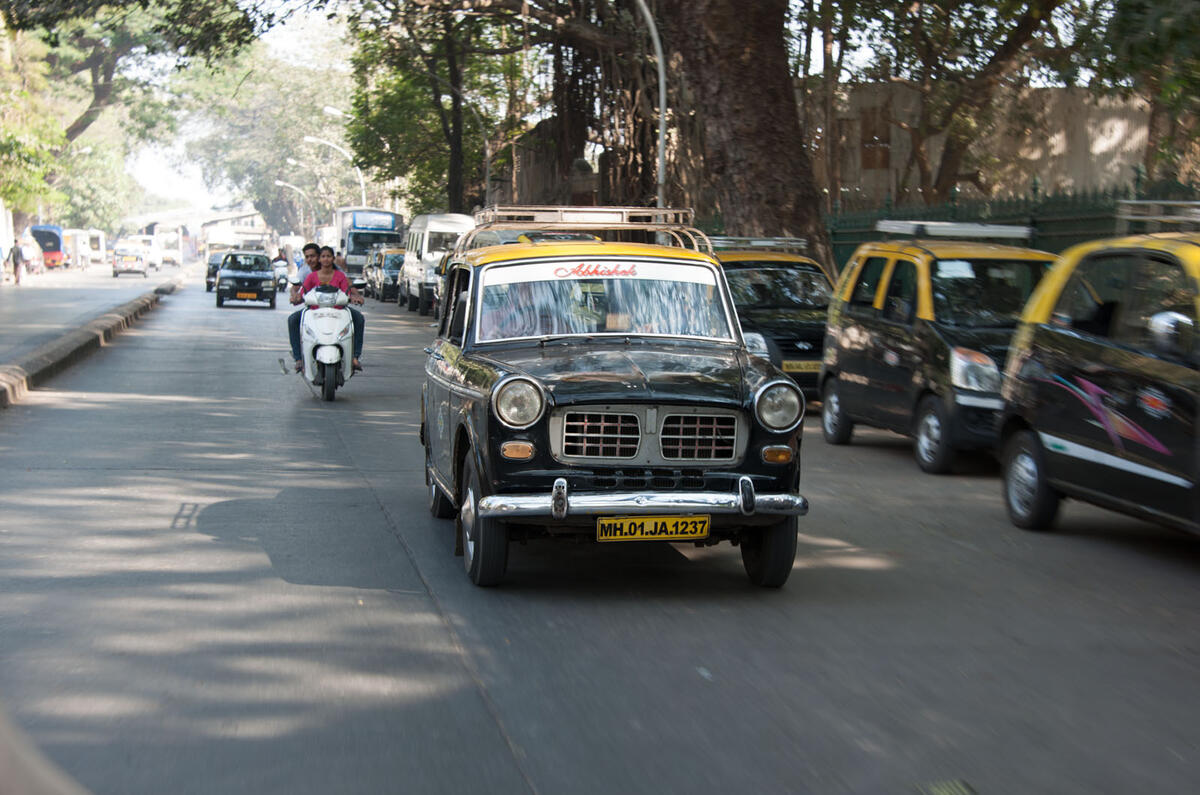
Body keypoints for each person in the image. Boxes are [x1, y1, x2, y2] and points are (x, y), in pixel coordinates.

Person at [290, 245, 366, 372]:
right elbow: (301, 290)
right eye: (323, 257)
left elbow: (347, 289)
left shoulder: (339, 275)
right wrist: (295, 297)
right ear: (320, 259)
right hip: (314, 311)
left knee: (359, 318)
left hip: (338, 311)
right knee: (292, 320)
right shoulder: (309, 275)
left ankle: (354, 357)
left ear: (333, 259)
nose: (325, 260)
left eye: (328, 257)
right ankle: (299, 359)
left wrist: (355, 296)